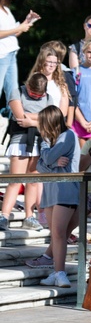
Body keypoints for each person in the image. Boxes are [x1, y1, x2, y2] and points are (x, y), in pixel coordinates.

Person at [35, 106, 80, 289]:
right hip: (50, 192)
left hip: (66, 192)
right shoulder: (46, 140)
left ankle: (60, 273)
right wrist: (53, 163)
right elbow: (39, 166)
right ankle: (56, 272)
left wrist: (50, 160)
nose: (39, 127)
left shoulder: (68, 135)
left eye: (42, 123)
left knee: (60, 233)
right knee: (56, 234)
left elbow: (48, 157)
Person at [0, 73, 53, 231]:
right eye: (33, 94)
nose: (36, 97)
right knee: (15, 180)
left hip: (40, 142)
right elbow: (20, 118)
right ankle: (4, 215)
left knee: (34, 181)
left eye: (39, 95)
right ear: (28, 86)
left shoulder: (48, 98)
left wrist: (32, 120)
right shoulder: (17, 92)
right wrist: (40, 119)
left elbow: (51, 119)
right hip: (21, 141)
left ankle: (30, 216)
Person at [0, 0, 39, 107]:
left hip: (11, 55)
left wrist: (28, 21)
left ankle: (13, 122)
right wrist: (19, 28)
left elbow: (14, 33)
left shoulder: (7, 11)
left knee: (13, 92)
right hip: (1, 56)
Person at [28, 46, 70, 119]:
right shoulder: (34, 79)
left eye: (55, 62)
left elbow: (63, 110)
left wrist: (54, 120)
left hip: (55, 121)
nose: (52, 65)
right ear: (42, 61)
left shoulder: (60, 82)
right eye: (49, 62)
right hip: (36, 120)